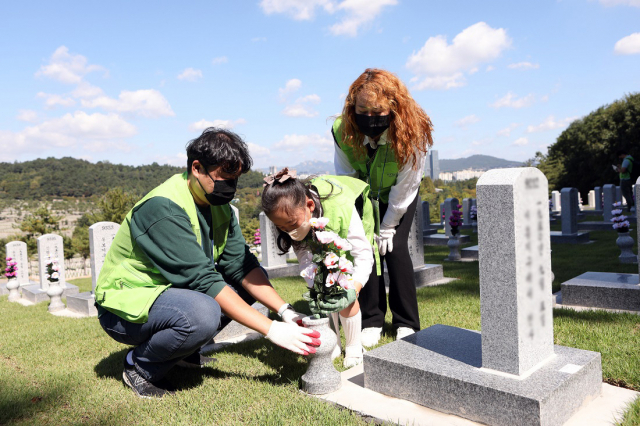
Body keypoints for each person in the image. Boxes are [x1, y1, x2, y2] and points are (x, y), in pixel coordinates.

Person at [95, 128, 320, 399]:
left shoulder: (217, 204)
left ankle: (185, 353)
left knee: (250, 281)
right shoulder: (163, 209)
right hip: (127, 304)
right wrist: (270, 329)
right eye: (223, 177)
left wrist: (285, 312)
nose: (231, 187)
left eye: (235, 179)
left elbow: (242, 266)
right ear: (197, 167)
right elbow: (203, 280)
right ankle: (139, 365)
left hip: (171, 294)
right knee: (202, 314)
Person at [332, 68, 434, 347]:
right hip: (362, 193)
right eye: (362, 110)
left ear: (394, 108)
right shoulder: (343, 129)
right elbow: (345, 175)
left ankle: (406, 322)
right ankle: (372, 318)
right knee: (363, 249)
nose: (370, 118)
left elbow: (407, 184)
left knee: (395, 248)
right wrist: (355, 214)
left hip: (399, 194)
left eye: (378, 112)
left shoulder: (414, 131)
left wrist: (388, 226)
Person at [261, 169, 378, 368]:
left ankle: (354, 346)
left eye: (291, 224)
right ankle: (333, 342)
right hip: (321, 236)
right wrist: (321, 288)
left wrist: (353, 289)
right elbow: (307, 261)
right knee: (327, 294)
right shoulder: (290, 218)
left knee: (347, 293)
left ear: (309, 205)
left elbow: (363, 254)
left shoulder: (340, 205)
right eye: (282, 227)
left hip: (351, 213)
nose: (289, 231)